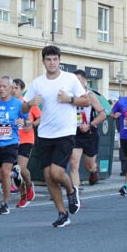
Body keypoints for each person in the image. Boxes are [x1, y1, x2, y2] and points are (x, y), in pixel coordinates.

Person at [21, 45, 89, 228]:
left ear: (59, 61)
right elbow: (23, 108)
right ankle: (62, 213)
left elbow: (86, 100)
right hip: (45, 134)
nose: (52, 63)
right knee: (48, 176)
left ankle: (70, 189)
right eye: (48, 59)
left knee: (57, 172)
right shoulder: (38, 83)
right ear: (43, 62)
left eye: (55, 59)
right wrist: (30, 103)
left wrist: (70, 99)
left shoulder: (70, 79)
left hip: (65, 133)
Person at [0, 76, 29, 215]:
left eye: (4, 86)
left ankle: (5, 204)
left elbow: (26, 120)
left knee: (4, 172)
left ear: (10, 88)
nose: (1, 89)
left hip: (11, 142)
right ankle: (15, 173)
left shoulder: (18, 104)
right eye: (0, 86)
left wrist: (23, 122)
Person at [69, 70, 105, 193]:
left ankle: (94, 170)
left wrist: (90, 125)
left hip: (89, 134)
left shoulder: (90, 95)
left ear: (84, 81)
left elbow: (102, 114)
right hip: (76, 133)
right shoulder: (71, 97)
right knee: (74, 163)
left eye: (79, 80)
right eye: (74, 80)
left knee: (88, 165)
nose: (77, 83)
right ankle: (76, 190)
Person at [12, 78, 40, 207]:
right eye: (11, 88)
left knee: (21, 168)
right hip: (11, 140)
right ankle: (22, 195)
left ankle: (29, 185)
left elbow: (39, 117)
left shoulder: (28, 104)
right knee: (14, 171)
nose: (13, 90)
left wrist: (32, 124)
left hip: (26, 139)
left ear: (22, 90)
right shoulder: (8, 104)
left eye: (16, 88)